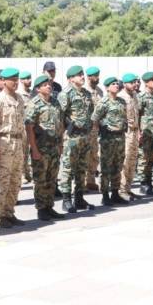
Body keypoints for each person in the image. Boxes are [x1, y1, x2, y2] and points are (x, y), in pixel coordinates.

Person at [0, 67, 27, 227]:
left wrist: (24, 146)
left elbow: (22, 124)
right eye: (12, 80)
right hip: (3, 143)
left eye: (17, 79)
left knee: (15, 181)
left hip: (17, 143)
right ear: (3, 81)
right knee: (1, 182)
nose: (16, 82)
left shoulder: (19, 99)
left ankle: (9, 212)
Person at [25, 73, 64, 221]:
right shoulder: (34, 104)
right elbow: (29, 128)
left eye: (49, 84)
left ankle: (49, 206)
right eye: (44, 85)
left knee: (52, 179)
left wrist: (60, 144)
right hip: (41, 148)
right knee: (40, 180)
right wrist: (34, 149)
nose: (48, 86)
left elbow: (60, 124)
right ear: (38, 89)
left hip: (54, 147)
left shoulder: (55, 102)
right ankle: (41, 209)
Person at [58, 65, 94, 213]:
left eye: (82, 74)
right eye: (79, 75)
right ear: (71, 79)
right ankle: (66, 200)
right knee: (68, 168)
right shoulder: (65, 94)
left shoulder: (86, 93)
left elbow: (91, 112)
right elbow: (60, 116)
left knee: (82, 168)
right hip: (71, 136)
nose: (82, 77)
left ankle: (79, 198)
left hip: (85, 136)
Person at [92, 76, 128, 206]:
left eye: (117, 83)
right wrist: (99, 134)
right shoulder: (103, 102)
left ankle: (115, 193)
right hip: (108, 139)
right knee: (106, 168)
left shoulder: (121, 101)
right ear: (107, 88)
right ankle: (105, 195)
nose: (116, 85)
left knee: (118, 166)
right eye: (113, 84)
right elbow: (94, 119)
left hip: (120, 138)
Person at [133, 72, 153, 196]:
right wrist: (138, 132)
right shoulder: (141, 97)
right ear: (146, 82)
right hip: (145, 132)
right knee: (143, 159)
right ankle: (143, 184)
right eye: (152, 80)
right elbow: (137, 115)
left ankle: (149, 183)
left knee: (152, 159)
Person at [117, 73, 140, 202]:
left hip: (135, 132)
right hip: (126, 133)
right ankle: (121, 190)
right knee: (125, 162)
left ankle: (128, 188)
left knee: (132, 161)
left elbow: (137, 114)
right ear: (125, 84)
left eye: (136, 82)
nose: (135, 84)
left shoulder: (135, 95)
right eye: (132, 82)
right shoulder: (121, 97)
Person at [83, 66, 103, 192]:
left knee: (94, 156)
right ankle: (82, 182)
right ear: (89, 77)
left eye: (98, 75)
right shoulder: (84, 91)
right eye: (95, 76)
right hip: (86, 129)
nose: (98, 78)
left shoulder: (99, 91)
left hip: (96, 130)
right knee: (84, 155)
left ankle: (90, 180)